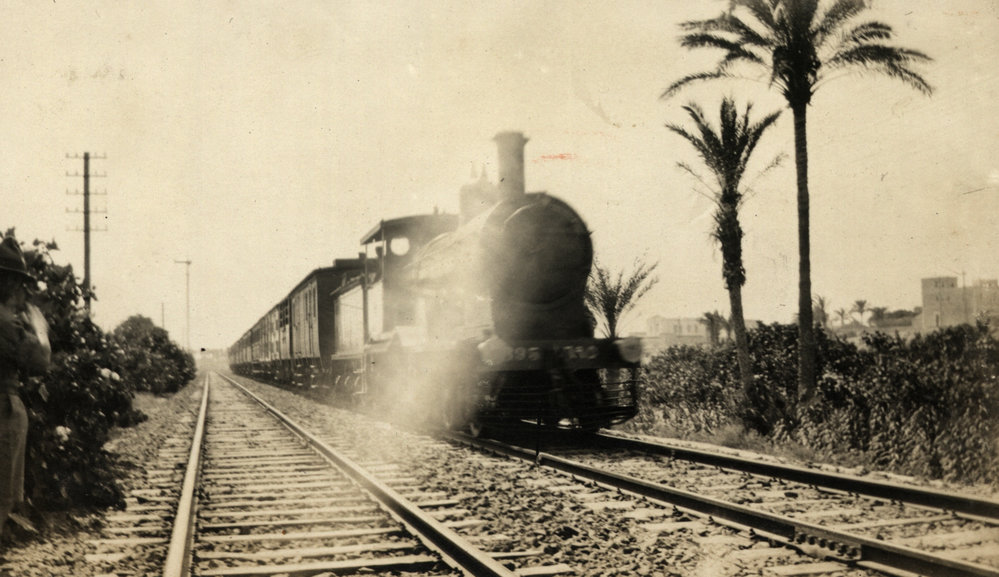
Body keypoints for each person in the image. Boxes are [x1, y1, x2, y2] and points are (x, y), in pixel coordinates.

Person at [0, 236, 50, 540]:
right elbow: (40, 359)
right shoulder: (5, 323)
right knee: (2, 497)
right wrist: (40, 327)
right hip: (3, 407)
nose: (23, 294)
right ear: (6, 283)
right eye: (19, 284)